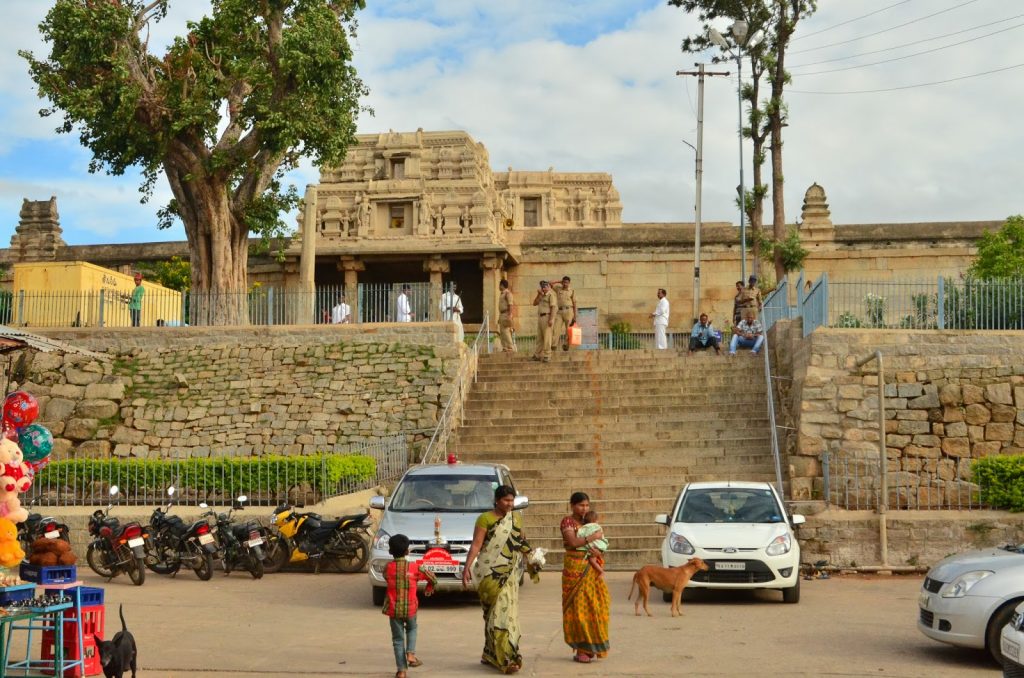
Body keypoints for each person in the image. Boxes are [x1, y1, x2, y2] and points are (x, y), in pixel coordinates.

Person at [462, 485, 533, 674]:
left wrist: (533, 559)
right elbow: (477, 544)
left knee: (503, 616)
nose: (509, 504)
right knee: (491, 616)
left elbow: (520, 542)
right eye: (506, 500)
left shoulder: (516, 518)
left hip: (509, 574)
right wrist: (467, 566)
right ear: (496, 500)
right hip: (488, 573)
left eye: (512, 500)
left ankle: (505, 656)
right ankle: (492, 653)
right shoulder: (485, 519)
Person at [560, 491, 610, 663]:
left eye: (587, 505)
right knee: (579, 610)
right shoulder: (567, 521)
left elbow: (601, 543)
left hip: (591, 569)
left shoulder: (590, 521)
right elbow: (573, 543)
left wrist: (598, 550)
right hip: (575, 569)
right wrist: (592, 537)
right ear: (572, 505)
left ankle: (593, 647)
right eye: (581, 505)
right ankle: (582, 649)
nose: (584, 508)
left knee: (596, 606)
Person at [382, 533, 437, 678]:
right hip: (411, 608)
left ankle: (401, 671)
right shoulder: (415, 567)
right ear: (407, 551)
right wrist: (429, 587)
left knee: (397, 640)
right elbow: (433, 578)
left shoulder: (388, 568)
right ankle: (411, 654)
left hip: (394, 610)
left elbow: (386, 577)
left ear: (390, 551)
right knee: (412, 629)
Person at [576, 510, 608, 577]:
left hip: (591, 546)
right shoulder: (597, 526)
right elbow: (601, 535)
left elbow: (579, 535)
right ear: (595, 520)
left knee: (592, 560)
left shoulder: (584, 528)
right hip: (598, 545)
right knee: (593, 559)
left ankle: (600, 571)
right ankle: (600, 570)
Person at [531, 281, 556, 362]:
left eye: (545, 287)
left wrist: (551, 319)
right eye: (542, 287)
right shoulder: (541, 296)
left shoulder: (551, 295)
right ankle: (537, 354)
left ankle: (547, 355)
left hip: (547, 316)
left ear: (548, 287)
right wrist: (539, 294)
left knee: (547, 337)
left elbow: (553, 308)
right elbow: (534, 303)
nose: (544, 288)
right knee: (540, 338)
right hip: (540, 317)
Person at [549, 276, 577, 351]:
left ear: (569, 283)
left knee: (568, 329)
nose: (565, 284)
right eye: (564, 282)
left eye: (567, 282)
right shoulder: (558, 289)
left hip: (569, 310)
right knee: (556, 328)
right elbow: (550, 283)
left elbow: (574, 303)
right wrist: (559, 281)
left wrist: (575, 316)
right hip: (559, 311)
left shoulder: (571, 290)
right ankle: (554, 345)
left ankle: (566, 344)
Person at [498, 279, 516, 352]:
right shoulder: (502, 294)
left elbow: (510, 304)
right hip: (502, 314)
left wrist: (510, 315)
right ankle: (505, 347)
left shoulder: (507, 293)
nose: (499, 286)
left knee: (506, 331)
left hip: (506, 313)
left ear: (502, 285)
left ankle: (510, 347)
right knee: (502, 331)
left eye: (500, 285)